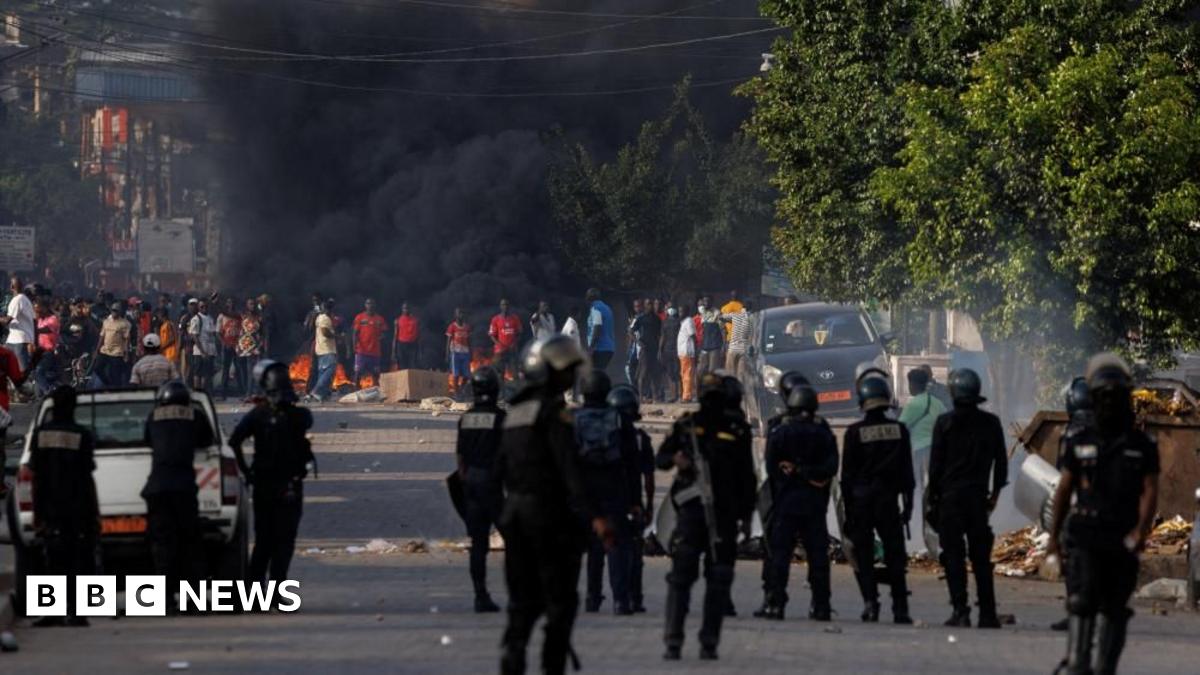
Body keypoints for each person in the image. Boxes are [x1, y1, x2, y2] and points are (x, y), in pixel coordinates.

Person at [495, 335, 612, 675]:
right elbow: (570, 470)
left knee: (522, 599)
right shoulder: (554, 414)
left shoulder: (515, 412)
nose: (570, 377)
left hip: (515, 515)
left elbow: (498, 468)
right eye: (565, 371)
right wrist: (596, 516)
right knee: (560, 600)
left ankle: (513, 656)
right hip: (549, 516)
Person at [1046, 355, 1157, 675]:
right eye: (1103, 396)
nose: (1109, 403)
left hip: (1119, 537)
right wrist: (1053, 540)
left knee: (1114, 610)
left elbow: (1151, 492)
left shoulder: (1141, 443)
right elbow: (1064, 490)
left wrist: (1140, 532)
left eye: (1115, 396)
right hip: (1086, 535)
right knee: (1082, 603)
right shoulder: (1079, 440)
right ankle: (1077, 662)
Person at [656, 373, 756, 661]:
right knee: (681, 577)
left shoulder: (737, 429)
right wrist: (677, 459)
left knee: (719, 579)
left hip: (723, 513)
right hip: (692, 512)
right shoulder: (687, 425)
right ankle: (673, 640)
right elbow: (661, 459)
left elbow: (746, 477)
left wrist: (746, 517)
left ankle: (709, 642)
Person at [927, 368, 1007, 628]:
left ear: (952, 391)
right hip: (977, 499)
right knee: (981, 559)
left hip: (950, 500)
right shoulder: (991, 423)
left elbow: (935, 468)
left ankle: (960, 610)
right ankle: (988, 614)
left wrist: (934, 500)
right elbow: (1001, 464)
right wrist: (994, 496)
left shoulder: (944, 423)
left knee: (953, 556)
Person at [757, 376, 838, 622]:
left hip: (786, 503)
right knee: (818, 557)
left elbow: (771, 468)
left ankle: (775, 603)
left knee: (780, 555)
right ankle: (822, 605)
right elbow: (831, 467)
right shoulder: (823, 431)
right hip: (814, 504)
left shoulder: (780, 431)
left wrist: (794, 474)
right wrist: (811, 477)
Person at [229, 361, 315, 586]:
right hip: (290, 485)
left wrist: (247, 473)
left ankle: (255, 592)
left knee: (264, 541)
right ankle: (276, 590)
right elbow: (306, 420)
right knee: (285, 542)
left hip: (263, 484)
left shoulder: (257, 415)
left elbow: (234, 441)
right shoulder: (299, 415)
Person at [840, 374, 915, 624]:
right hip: (888, 502)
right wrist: (909, 507)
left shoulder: (853, 433)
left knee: (863, 556)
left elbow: (846, 478)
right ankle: (900, 608)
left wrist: (848, 513)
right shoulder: (899, 431)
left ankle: (871, 604)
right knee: (895, 555)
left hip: (861, 504)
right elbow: (907, 474)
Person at [28, 386, 98, 627]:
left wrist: (37, 512)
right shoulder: (82, 434)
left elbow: (36, 476)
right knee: (78, 560)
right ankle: (76, 613)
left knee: (52, 560)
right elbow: (87, 476)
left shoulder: (41, 434)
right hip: (77, 507)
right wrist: (93, 513)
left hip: (49, 507)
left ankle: (52, 612)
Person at [142, 381, 214, 595]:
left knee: (162, 545)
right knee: (190, 541)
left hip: (157, 489)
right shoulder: (196, 416)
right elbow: (206, 440)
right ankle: (192, 597)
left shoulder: (153, 416)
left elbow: (148, 440)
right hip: (184, 488)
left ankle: (165, 598)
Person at [575, 369, 634, 615]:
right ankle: (621, 600)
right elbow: (631, 460)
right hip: (614, 487)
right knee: (615, 544)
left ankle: (592, 598)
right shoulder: (618, 418)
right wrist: (634, 499)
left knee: (593, 547)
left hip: (584, 489)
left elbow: (567, 459)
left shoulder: (574, 419)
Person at [455, 366, 506, 612]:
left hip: (472, 483)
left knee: (478, 544)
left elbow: (460, 458)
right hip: (494, 484)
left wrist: (466, 482)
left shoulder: (465, 418)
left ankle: (480, 595)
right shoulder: (502, 418)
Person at [1050, 376, 1094, 633]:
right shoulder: (1110, 429)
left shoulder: (1070, 434)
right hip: (1110, 508)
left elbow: (1063, 478)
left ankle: (1076, 612)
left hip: (1080, 507)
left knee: (1073, 561)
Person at [608, 383, 654, 613]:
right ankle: (635, 597)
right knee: (634, 550)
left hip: (611, 501)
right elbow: (649, 477)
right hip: (634, 502)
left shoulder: (605, 437)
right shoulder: (640, 438)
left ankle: (619, 599)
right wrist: (649, 506)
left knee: (615, 551)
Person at [898, 366, 947, 543]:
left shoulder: (913, 404)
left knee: (920, 490)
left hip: (920, 452)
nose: (909, 387)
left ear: (914, 384)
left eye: (910, 383)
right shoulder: (937, 403)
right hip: (938, 452)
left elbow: (900, 427)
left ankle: (922, 524)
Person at [2, 276, 35, 372]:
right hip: (13, 340)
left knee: (22, 369)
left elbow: (7, 320)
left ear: (11, 286)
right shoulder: (25, 299)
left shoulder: (18, 299)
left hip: (19, 340)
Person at [95, 301, 132, 387]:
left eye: (116, 311)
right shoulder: (106, 322)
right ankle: (108, 383)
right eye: (113, 310)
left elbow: (127, 339)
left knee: (116, 375)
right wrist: (97, 349)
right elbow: (102, 336)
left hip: (117, 352)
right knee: (97, 368)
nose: (114, 312)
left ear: (119, 312)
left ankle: (116, 390)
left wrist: (126, 354)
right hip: (105, 350)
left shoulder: (125, 324)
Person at [352, 298, 388, 387]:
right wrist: (354, 346)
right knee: (358, 373)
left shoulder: (380, 319)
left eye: (372, 304)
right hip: (362, 351)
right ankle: (356, 391)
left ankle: (376, 391)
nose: (370, 306)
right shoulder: (360, 317)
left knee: (376, 374)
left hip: (375, 352)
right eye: (368, 304)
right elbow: (355, 333)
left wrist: (382, 337)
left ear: (375, 305)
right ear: (365, 305)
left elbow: (385, 332)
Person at [632, 299, 662, 403]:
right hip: (645, 349)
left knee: (654, 373)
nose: (650, 306)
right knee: (643, 373)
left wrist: (660, 349)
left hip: (654, 349)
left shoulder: (657, 319)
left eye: (651, 304)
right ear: (644, 305)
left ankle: (655, 397)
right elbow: (630, 331)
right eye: (648, 304)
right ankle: (641, 397)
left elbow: (660, 334)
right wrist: (638, 342)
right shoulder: (641, 318)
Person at [33, 297, 63, 397]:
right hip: (38, 352)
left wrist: (32, 329)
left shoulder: (53, 319)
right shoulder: (40, 319)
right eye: (35, 310)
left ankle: (48, 391)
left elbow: (46, 330)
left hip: (49, 352)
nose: (36, 312)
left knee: (38, 372)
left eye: (38, 310)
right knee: (36, 377)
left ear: (45, 308)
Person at [311, 300, 339, 402]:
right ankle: (316, 391)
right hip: (327, 349)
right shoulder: (325, 319)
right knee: (330, 370)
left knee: (322, 373)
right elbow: (325, 332)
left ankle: (322, 395)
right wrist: (337, 336)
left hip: (320, 349)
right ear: (329, 309)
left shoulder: (319, 317)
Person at [188, 300, 219, 392]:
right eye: (202, 307)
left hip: (210, 350)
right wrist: (202, 351)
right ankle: (197, 392)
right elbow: (194, 336)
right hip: (200, 351)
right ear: (198, 307)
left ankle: (205, 392)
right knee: (198, 373)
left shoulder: (210, 318)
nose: (204, 308)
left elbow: (213, 333)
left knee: (207, 374)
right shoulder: (196, 319)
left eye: (206, 306)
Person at [488, 299, 523, 380]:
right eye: (503, 305)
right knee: (500, 373)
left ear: (509, 306)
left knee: (515, 372)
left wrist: (514, 343)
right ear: (500, 306)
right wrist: (499, 344)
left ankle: (516, 386)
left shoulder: (515, 318)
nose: (505, 306)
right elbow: (492, 335)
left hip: (512, 349)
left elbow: (520, 333)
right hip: (500, 350)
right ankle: (501, 387)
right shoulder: (495, 319)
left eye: (506, 304)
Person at [237, 299, 264, 398]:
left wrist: (260, 345)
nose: (252, 305)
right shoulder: (243, 316)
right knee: (248, 371)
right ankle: (248, 393)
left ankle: (256, 392)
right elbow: (241, 332)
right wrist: (239, 346)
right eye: (250, 304)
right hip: (246, 346)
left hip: (256, 346)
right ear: (247, 305)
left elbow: (262, 333)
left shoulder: (258, 317)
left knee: (256, 370)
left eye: (253, 304)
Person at [216, 298, 242, 397]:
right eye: (229, 302)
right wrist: (224, 343)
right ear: (226, 304)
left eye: (232, 302)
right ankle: (223, 392)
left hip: (237, 345)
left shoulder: (238, 316)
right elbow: (218, 332)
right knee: (225, 369)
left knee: (238, 368)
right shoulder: (222, 316)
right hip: (226, 346)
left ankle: (241, 391)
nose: (231, 304)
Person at [584, 288, 615, 370]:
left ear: (589, 298)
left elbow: (597, 327)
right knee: (598, 373)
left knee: (594, 374)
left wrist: (591, 348)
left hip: (599, 348)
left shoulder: (596, 308)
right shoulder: (607, 308)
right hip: (609, 348)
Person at [445, 308, 472, 395]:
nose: (461, 315)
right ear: (455, 315)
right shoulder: (452, 326)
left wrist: (470, 352)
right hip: (455, 353)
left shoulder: (467, 327)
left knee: (467, 375)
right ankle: (456, 393)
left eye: (462, 313)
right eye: (459, 313)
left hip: (465, 353)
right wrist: (447, 353)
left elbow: (469, 340)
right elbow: (448, 340)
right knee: (455, 374)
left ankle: (461, 389)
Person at [695, 298, 724, 381]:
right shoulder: (703, 313)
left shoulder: (717, 313)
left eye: (707, 301)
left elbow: (723, 330)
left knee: (712, 370)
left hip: (715, 347)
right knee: (700, 369)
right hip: (705, 346)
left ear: (711, 302)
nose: (705, 303)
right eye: (704, 301)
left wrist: (723, 346)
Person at [660, 306, 681, 402]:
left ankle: (677, 395)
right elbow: (663, 336)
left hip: (674, 349)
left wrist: (660, 349)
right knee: (672, 372)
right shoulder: (666, 322)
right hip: (670, 349)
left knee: (675, 372)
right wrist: (660, 349)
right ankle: (674, 395)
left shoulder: (677, 322)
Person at [676, 305, 697, 402]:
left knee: (687, 374)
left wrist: (695, 350)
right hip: (682, 353)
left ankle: (687, 396)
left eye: (682, 311)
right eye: (679, 311)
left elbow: (693, 336)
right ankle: (687, 394)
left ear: (686, 312)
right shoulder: (683, 322)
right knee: (684, 374)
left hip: (687, 352)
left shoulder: (688, 321)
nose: (680, 313)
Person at [392, 302, 420, 370]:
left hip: (412, 345)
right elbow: (395, 336)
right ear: (402, 309)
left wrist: (419, 348)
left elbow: (418, 334)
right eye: (404, 308)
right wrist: (393, 351)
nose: (406, 310)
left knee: (413, 365)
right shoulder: (398, 320)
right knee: (402, 365)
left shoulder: (415, 320)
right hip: (402, 344)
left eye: (407, 308)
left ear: (410, 309)